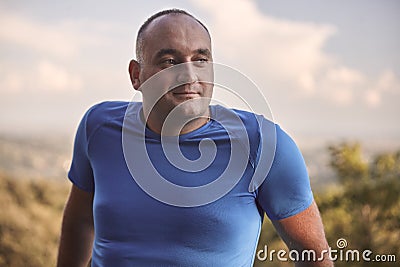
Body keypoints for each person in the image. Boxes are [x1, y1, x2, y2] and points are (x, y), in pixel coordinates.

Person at [57, 9, 333, 267]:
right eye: (170, 61)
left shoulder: (264, 145)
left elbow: (314, 256)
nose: (189, 75)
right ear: (136, 75)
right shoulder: (98, 126)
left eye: (200, 60)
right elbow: (80, 220)